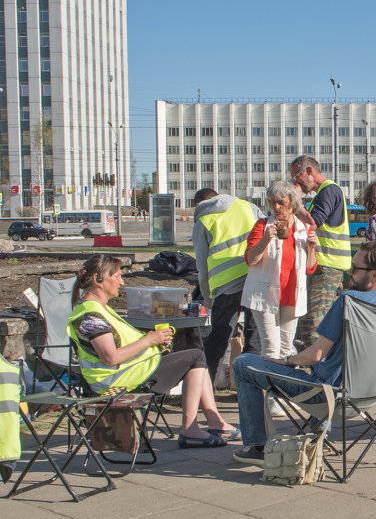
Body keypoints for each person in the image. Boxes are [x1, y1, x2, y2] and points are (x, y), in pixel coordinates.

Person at [230, 242, 376, 466]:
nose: (349, 271)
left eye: (355, 268)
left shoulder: (349, 302)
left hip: (329, 397)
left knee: (244, 363)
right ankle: (317, 435)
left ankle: (257, 446)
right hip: (372, 396)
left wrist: (286, 360)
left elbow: (316, 355)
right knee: (327, 370)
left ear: (375, 274)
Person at [67, 254, 239, 448]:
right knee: (196, 356)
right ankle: (191, 429)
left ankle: (213, 423)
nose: (121, 282)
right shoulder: (91, 315)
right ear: (99, 279)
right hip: (118, 381)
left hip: (129, 373)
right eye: (116, 276)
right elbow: (110, 357)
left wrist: (155, 343)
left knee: (194, 354)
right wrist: (149, 340)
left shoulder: (99, 309)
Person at [192, 188, 263, 385]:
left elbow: (202, 268)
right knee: (254, 339)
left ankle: (205, 393)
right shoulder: (249, 207)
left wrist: (207, 298)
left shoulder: (203, 221)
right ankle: (249, 391)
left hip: (225, 287)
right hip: (255, 278)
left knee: (218, 339)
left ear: (199, 204)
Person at [241, 180, 318, 360]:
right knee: (271, 349)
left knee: (285, 350)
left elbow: (310, 268)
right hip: (265, 295)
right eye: (272, 202)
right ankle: (269, 386)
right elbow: (251, 260)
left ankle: (280, 386)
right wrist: (265, 240)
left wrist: (311, 247)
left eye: (281, 203)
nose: (276, 207)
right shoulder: (262, 226)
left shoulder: (304, 229)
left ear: (292, 204)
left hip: (292, 296)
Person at [289, 155, 351, 346]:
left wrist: (295, 202)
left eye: (296, 176)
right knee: (323, 322)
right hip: (326, 265)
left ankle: (316, 367)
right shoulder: (324, 193)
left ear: (310, 171)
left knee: (312, 323)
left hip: (326, 266)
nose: (294, 181)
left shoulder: (328, 191)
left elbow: (314, 222)